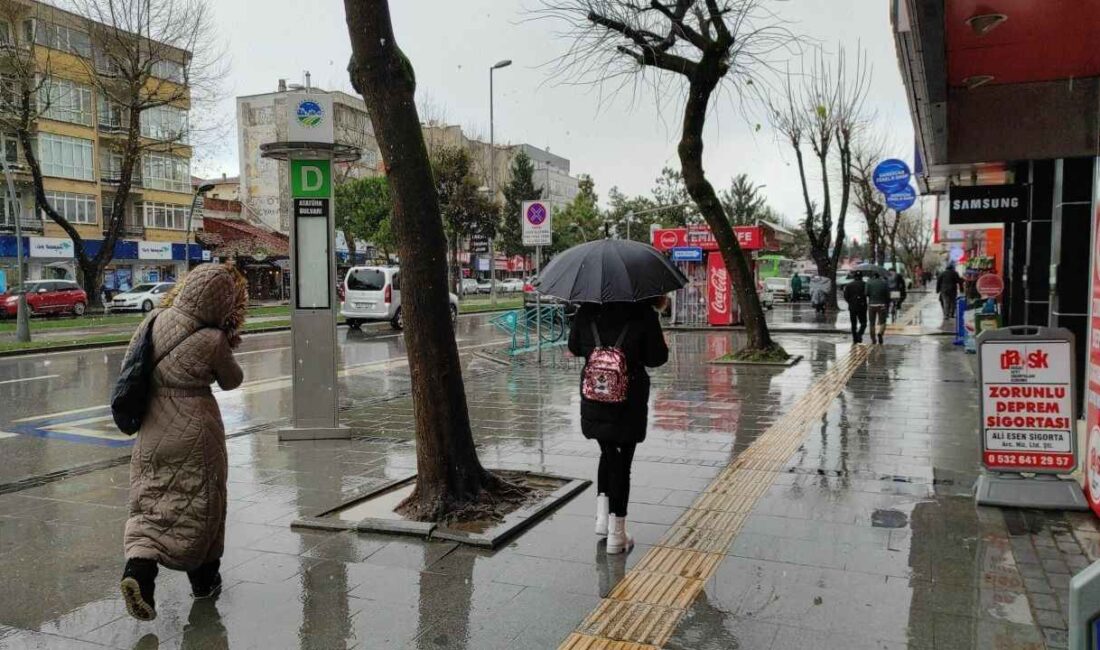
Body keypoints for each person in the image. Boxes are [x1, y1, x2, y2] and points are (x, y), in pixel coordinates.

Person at [119, 263, 247, 621]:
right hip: (196, 427)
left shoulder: (153, 320)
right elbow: (232, 380)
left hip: (153, 426)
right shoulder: (212, 339)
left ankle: (138, 574)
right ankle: (204, 581)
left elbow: (131, 363)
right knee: (201, 502)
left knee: (150, 500)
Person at [568, 297, 669, 555]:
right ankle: (616, 533)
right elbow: (657, 358)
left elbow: (575, 347)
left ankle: (602, 519)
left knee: (608, 452)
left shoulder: (587, 311)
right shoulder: (642, 314)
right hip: (628, 400)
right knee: (622, 463)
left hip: (595, 397)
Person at [843, 271, 868, 344]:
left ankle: (855, 338)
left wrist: (850, 302)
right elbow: (867, 294)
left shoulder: (849, 285)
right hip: (862, 306)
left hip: (852, 306)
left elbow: (846, 296)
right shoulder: (864, 284)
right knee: (863, 323)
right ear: (861, 277)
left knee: (853, 323)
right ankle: (859, 334)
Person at [866, 272, 890, 344]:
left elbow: (866, 293)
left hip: (872, 305)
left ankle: (873, 339)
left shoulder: (869, 282)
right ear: (879, 276)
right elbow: (887, 294)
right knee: (883, 322)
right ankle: (880, 333)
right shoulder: (884, 283)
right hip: (882, 305)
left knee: (872, 323)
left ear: (873, 276)